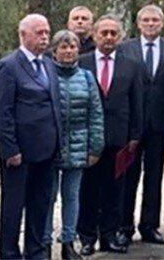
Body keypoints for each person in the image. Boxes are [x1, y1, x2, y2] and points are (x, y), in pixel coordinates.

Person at [0, 14, 61, 260]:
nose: (44, 37)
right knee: (13, 207)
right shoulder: (9, 66)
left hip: (47, 150)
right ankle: (9, 253)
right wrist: (10, 149)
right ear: (23, 35)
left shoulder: (49, 64)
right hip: (20, 152)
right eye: (39, 32)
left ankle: (36, 252)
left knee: (41, 204)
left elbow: (54, 106)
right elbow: (2, 111)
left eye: (47, 32)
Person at [76, 15, 143, 255]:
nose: (108, 38)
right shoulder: (81, 63)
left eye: (113, 33)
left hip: (120, 137)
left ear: (120, 37)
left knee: (116, 189)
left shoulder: (131, 65)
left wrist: (135, 135)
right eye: (103, 33)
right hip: (88, 138)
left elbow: (137, 102)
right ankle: (86, 236)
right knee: (88, 188)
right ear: (94, 35)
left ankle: (110, 235)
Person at [119, 5, 164, 245]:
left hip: (160, 122)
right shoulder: (125, 49)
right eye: (146, 20)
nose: (150, 24)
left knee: (154, 176)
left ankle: (150, 226)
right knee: (128, 176)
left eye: (155, 20)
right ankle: (125, 226)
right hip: (132, 124)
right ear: (138, 23)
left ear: (162, 23)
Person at [44, 30, 105, 260]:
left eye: (72, 47)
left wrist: (95, 147)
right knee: (48, 197)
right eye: (63, 47)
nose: (68, 51)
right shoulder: (46, 75)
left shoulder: (87, 77)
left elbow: (95, 114)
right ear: (55, 51)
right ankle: (45, 242)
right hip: (51, 146)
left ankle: (68, 242)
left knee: (72, 196)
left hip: (79, 145)